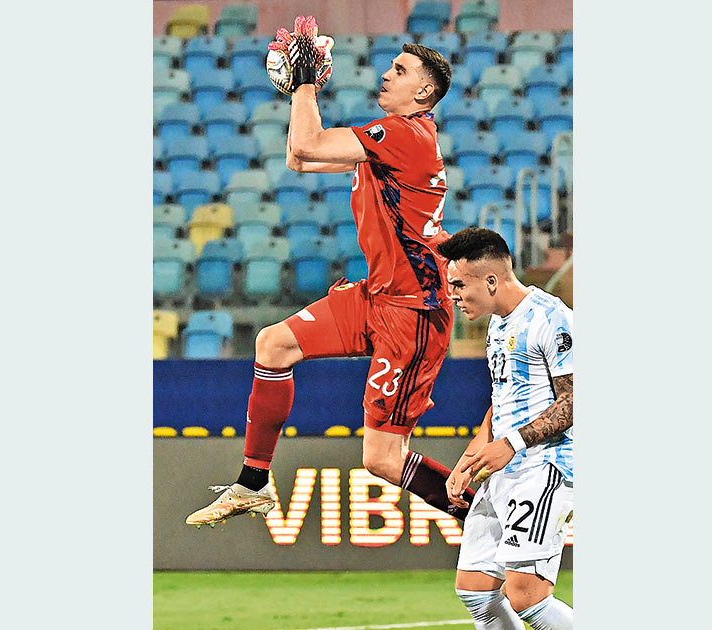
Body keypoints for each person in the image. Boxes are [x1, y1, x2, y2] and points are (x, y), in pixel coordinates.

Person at [185, 22, 474, 527]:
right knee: (273, 344)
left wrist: (305, 85)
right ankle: (252, 484)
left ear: (424, 92)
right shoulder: (390, 141)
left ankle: (487, 515)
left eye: (400, 70)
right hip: (378, 295)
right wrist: (299, 93)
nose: (386, 75)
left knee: (382, 459)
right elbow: (299, 158)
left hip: (414, 312)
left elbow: (310, 144)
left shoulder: (406, 135)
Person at [437, 228, 575, 630]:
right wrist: (469, 460)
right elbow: (502, 398)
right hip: (504, 468)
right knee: (476, 591)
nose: (452, 295)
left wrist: (511, 444)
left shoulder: (552, 318)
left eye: (459, 285)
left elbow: (574, 400)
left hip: (544, 467)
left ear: (492, 280)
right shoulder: (498, 325)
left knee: (526, 597)